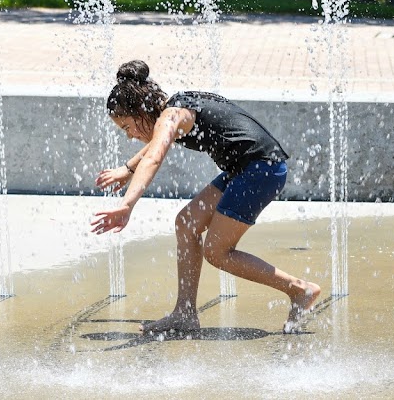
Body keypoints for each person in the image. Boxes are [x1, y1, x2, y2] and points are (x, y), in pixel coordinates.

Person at [91, 60, 321, 334]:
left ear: (140, 111)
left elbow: (155, 156)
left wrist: (127, 204)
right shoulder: (173, 109)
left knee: (217, 251)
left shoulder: (171, 116)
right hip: (246, 168)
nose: (129, 136)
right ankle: (185, 313)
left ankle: (299, 289)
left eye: (127, 127)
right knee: (186, 223)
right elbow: (156, 144)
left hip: (261, 169)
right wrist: (128, 169)